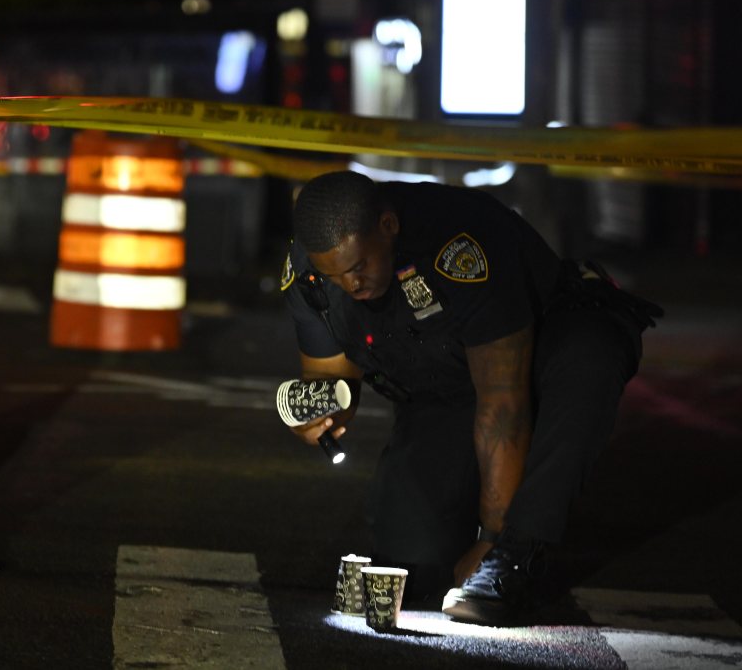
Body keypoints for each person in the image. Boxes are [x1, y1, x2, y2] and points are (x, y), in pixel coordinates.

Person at [281, 170, 661, 625]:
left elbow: (503, 404)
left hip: (541, 351)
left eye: (359, 266)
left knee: (588, 356)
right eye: (334, 274)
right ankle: (465, 535)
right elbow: (331, 377)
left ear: (387, 227)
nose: (351, 284)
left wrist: (492, 538)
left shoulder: (458, 244)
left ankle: (519, 553)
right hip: (447, 387)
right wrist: (319, 412)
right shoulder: (310, 267)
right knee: (415, 566)